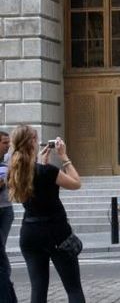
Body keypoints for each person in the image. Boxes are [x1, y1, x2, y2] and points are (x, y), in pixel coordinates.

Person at [8, 126, 84, 302]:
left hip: (30, 233)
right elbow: (76, 183)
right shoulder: (47, 171)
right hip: (56, 232)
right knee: (73, 288)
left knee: (38, 288)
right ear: (33, 142)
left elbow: (33, 183)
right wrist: (64, 157)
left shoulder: (15, 171)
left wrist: (43, 163)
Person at [0, 130, 17, 303]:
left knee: (1, 247)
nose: (8, 146)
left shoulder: (8, 161)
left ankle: (5, 281)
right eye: (5, 142)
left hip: (6, 209)